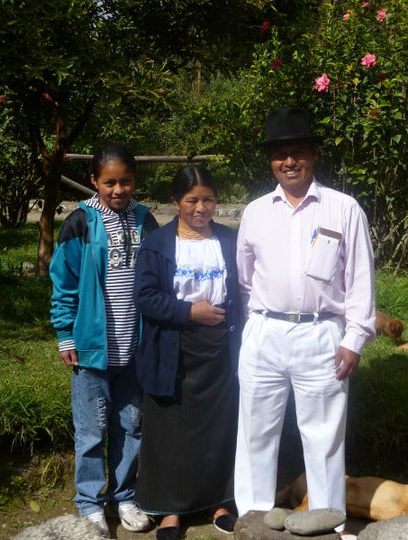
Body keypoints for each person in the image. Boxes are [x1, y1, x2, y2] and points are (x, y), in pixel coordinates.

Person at [234, 107, 376, 539]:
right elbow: (244, 280)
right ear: (270, 161)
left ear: (312, 156)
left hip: (322, 336)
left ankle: (329, 525)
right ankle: (254, 522)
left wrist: (354, 338)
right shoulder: (255, 212)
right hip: (265, 334)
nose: (289, 162)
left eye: (297, 152)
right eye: (280, 155)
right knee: (256, 432)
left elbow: (361, 280)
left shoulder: (343, 209)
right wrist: (257, 326)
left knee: (324, 437)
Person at [49, 142, 158, 536]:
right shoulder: (80, 222)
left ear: (134, 181)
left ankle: (125, 496)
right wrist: (65, 335)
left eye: (125, 181)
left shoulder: (145, 221)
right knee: (92, 431)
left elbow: (158, 278)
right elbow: (64, 284)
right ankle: (91, 503)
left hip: (133, 349)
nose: (118, 189)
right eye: (109, 182)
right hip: (93, 352)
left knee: (131, 426)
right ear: (94, 181)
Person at [133, 164, 242, 540]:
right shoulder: (158, 244)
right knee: (170, 431)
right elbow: (145, 298)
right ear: (175, 202)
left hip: (220, 349)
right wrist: (188, 311)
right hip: (172, 350)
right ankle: (169, 512)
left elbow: (243, 292)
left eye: (208, 199)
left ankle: (220, 502)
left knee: (219, 427)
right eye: (192, 200)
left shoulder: (229, 240)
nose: (201, 208)